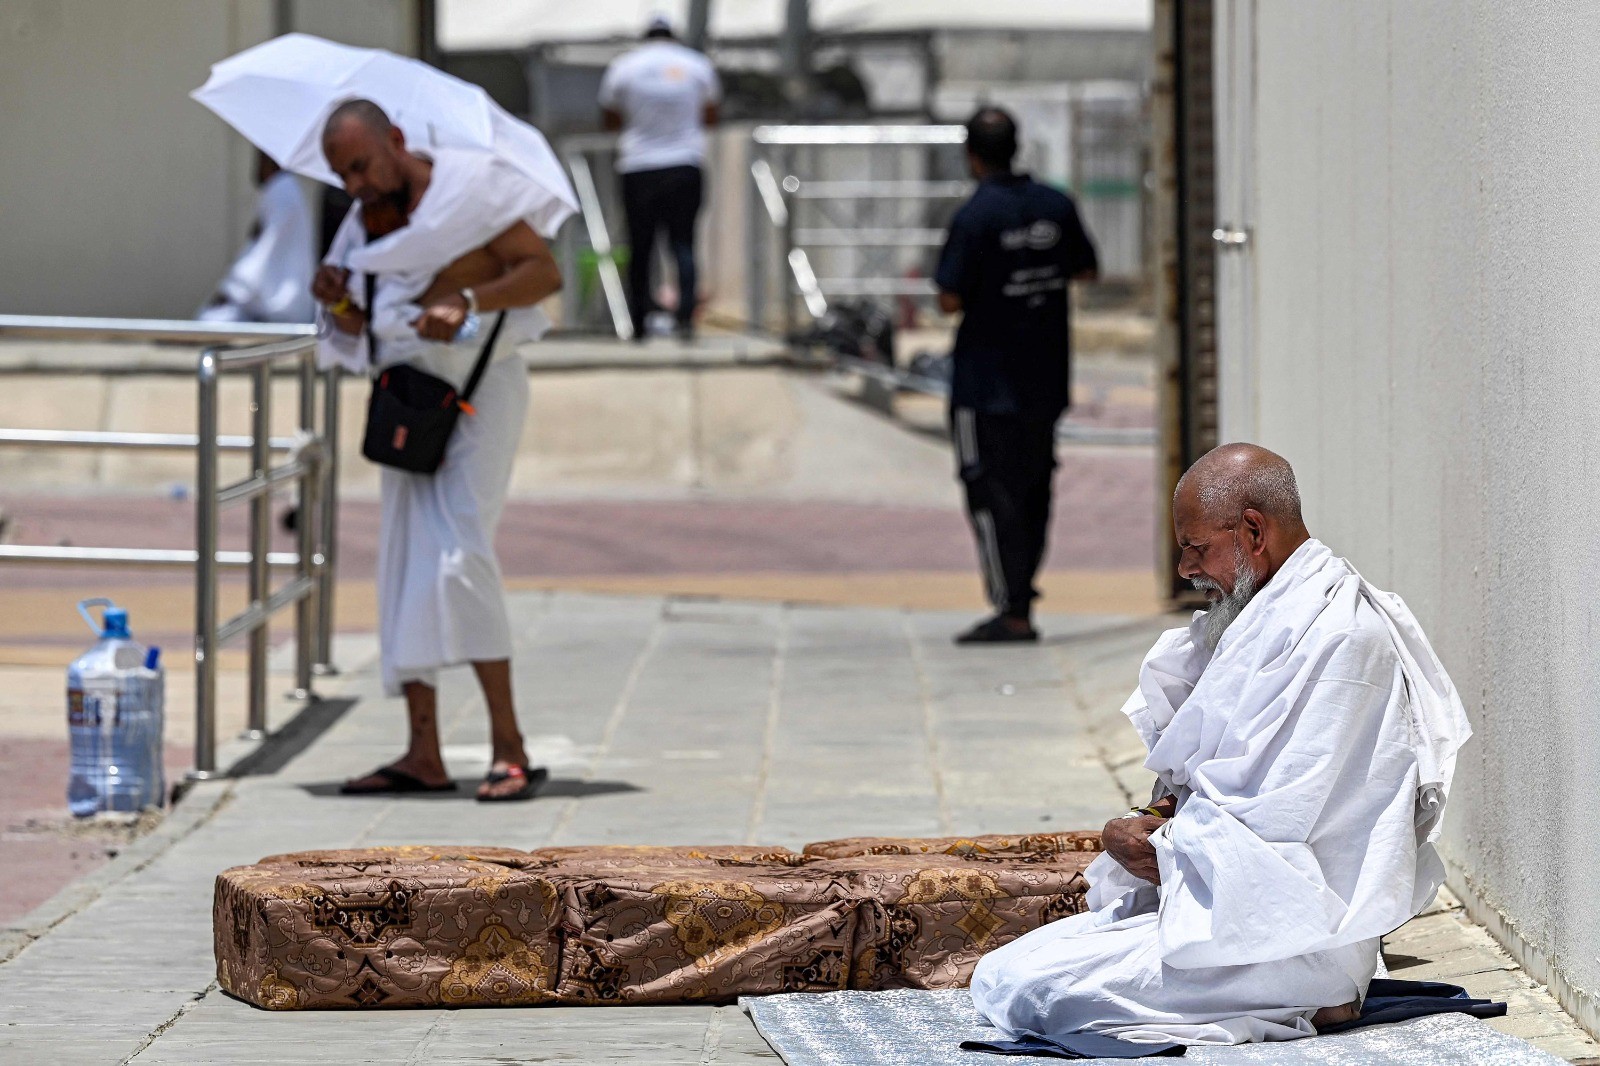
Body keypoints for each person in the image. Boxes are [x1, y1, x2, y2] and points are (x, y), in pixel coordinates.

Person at [970, 444, 1473, 1048]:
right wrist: (1157, 818)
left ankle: (1317, 999)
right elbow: (1219, 784)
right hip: (1236, 918)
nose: (1185, 567)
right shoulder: (1261, 617)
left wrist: (1161, 846)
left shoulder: (1338, 638)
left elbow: (1278, 827)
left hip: (1299, 938)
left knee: (1030, 987)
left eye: (1194, 546)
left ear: (1254, 531)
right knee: (1006, 970)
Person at [311, 100, 570, 801]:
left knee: (460, 554)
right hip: (410, 404)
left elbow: (543, 273)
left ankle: (509, 746)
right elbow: (364, 327)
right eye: (342, 174)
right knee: (402, 564)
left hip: (482, 393)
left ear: (396, 141)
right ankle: (423, 754)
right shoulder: (358, 227)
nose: (355, 184)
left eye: (362, 165)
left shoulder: (473, 192)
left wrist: (469, 299)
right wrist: (336, 301)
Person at [935, 108, 1098, 645]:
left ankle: (1012, 609)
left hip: (985, 386)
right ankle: (1021, 595)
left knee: (988, 492)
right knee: (1034, 490)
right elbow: (1086, 268)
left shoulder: (975, 215)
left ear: (972, 154)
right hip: (1044, 378)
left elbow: (949, 297)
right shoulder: (1055, 203)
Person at [599, 15, 721, 341]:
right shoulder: (697, 65)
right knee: (683, 244)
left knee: (640, 247)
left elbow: (610, 118)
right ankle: (685, 319)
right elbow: (710, 115)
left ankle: (638, 320)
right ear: (673, 37)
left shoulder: (624, 66)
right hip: (684, 163)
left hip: (638, 165)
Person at [198, 151, 315, 323]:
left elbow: (264, 251)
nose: (256, 167)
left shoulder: (282, 190)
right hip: (281, 304)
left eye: (261, 159)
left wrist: (232, 290)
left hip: (279, 309)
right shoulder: (285, 189)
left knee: (213, 320)